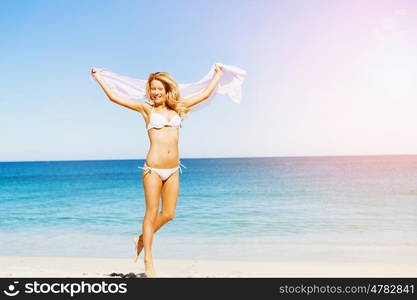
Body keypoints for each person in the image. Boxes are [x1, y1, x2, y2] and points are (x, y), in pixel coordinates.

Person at [90, 64, 224, 277]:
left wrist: (218, 75)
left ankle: (142, 237)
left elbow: (205, 94)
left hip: (173, 169)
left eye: (159, 88)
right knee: (151, 213)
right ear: (149, 91)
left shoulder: (179, 107)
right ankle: (148, 262)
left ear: (166, 89)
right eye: (152, 88)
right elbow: (115, 98)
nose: (156, 92)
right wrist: (99, 79)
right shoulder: (147, 109)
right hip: (152, 169)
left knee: (169, 214)